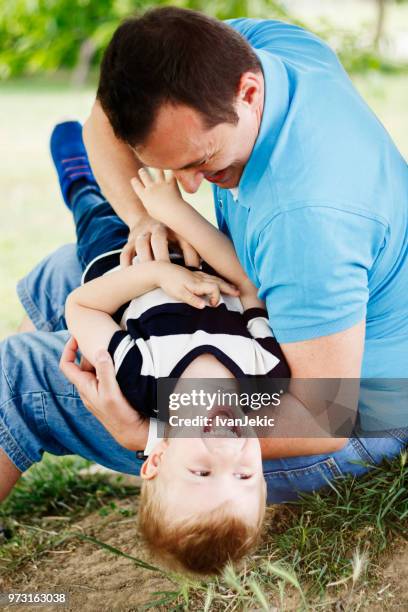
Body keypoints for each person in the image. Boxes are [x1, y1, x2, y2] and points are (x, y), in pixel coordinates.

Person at [55, 120, 291, 573]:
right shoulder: (267, 380)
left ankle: (77, 178)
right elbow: (245, 285)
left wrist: (157, 275)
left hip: (123, 259)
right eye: (245, 476)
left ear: (157, 458)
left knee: (94, 211)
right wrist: (174, 213)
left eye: (201, 473)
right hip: (198, 250)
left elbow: (82, 308)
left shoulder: (141, 379)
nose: (229, 455)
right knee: (148, 161)